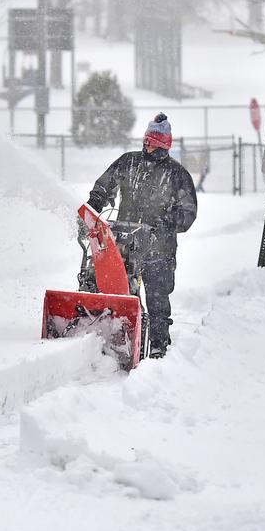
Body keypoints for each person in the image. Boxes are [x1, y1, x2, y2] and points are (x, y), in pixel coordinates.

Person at [86, 112, 197, 358]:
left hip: (159, 251)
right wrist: (95, 202)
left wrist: (164, 223)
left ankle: (158, 346)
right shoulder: (128, 162)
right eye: (146, 139)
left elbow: (188, 213)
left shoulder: (177, 175)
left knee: (157, 300)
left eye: (153, 141)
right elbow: (105, 184)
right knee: (110, 290)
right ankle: (107, 336)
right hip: (124, 245)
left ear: (163, 144)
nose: (147, 144)